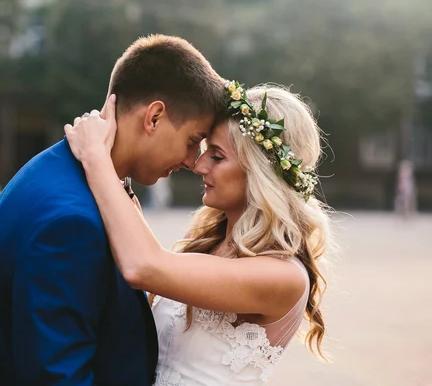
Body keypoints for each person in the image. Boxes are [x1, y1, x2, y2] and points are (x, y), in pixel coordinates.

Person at [0, 35, 228, 385]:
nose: (192, 161)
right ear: (154, 117)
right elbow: (57, 378)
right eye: (191, 141)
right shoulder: (71, 222)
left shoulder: (62, 172)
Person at [65, 83, 333, 385]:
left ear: (261, 172)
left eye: (216, 156)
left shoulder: (284, 277)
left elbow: (142, 266)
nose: (198, 164)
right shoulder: (208, 247)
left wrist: (96, 158)